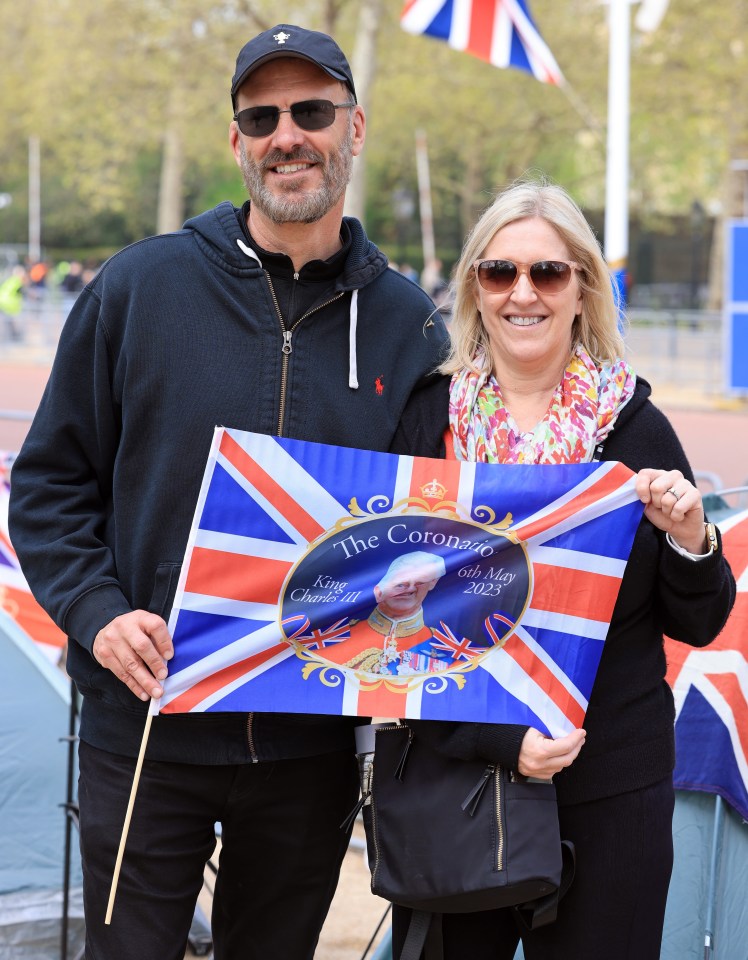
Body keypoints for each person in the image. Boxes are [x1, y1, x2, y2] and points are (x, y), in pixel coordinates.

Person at [9, 24, 449, 960]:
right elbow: (48, 485)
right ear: (237, 141)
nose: (287, 134)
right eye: (263, 116)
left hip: (309, 743)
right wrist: (96, 611)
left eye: (312, 112)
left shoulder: (410, 324)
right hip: (147, 728)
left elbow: (437, 527)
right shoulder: (138, 287)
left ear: (355, 128)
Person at [391, 179, 736, 960]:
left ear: (583, 288)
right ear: (475, 289)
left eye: (547, 273)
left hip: (612, 784)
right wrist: (493, 739)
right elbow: (386, 621)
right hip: (459, 777)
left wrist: (690, 540)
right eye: (499, 272)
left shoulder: (636, 429)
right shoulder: (424, 424)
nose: (523, 293)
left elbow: (700, 618)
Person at [322, 550, 447, 674]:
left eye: (419, 581)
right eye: (400, 582)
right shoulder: (330, 639)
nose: (410, 588)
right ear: (378, 592)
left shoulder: (448, 649)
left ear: (432, 583)